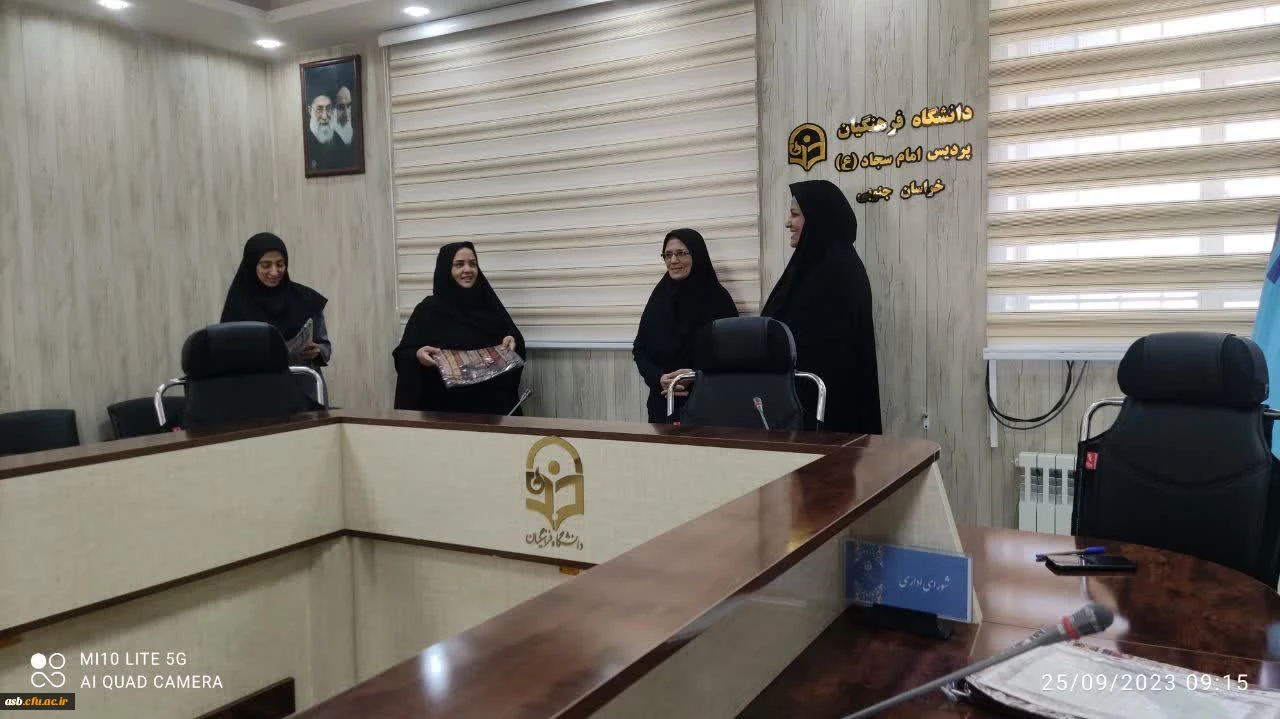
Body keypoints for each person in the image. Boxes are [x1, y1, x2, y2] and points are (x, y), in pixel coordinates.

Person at [762, 180, 883, 434]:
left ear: (818, 217)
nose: (788, 223)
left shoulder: (835, 271)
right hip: (804, 410)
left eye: (795, 214)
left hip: (824, 417)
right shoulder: (818, 264)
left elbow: (817, 344)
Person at [393, 242, 526, 415]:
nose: (468, 269)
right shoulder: (427, 311)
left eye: (473, 264)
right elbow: (404, 353)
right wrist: (417, 355)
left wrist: (511, 340)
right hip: (442, 412)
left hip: (489, 411)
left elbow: (514, 340)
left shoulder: (489, 306)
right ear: (445, 269)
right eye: (459, 264)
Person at [633, 228, 739, 423]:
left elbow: (732, 355)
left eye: (681, 253)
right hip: (662, 404)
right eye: (668, 255)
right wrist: (659, 378)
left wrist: (696, 375)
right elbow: (640, 350)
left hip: (708, 406)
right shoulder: (659, 298)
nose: (673, 260)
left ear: (697, 255)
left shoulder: (718, 300)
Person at [220, 232, 331, 403]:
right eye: (266, 265)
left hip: (304, 391)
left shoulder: (306, 300)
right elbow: (226, 355)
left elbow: (325, 346)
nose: (274, 272)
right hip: (256, 394)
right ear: (251, 265)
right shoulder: (238, 306)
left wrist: (318, 351)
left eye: (280, 264)